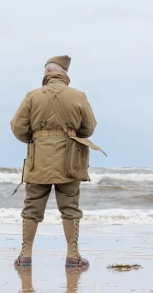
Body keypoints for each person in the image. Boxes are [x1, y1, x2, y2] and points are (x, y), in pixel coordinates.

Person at [10, 55, 98, 268]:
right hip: (70, 160)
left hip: (38, 159)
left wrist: (36, 139)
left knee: (32, 207)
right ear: (64, 73)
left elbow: (17, 127)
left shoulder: (32, 96)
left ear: (47, 72)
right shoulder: (78, 96)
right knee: (70, 207)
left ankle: (25, 255)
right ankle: (73, 256)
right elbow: (89, 127)